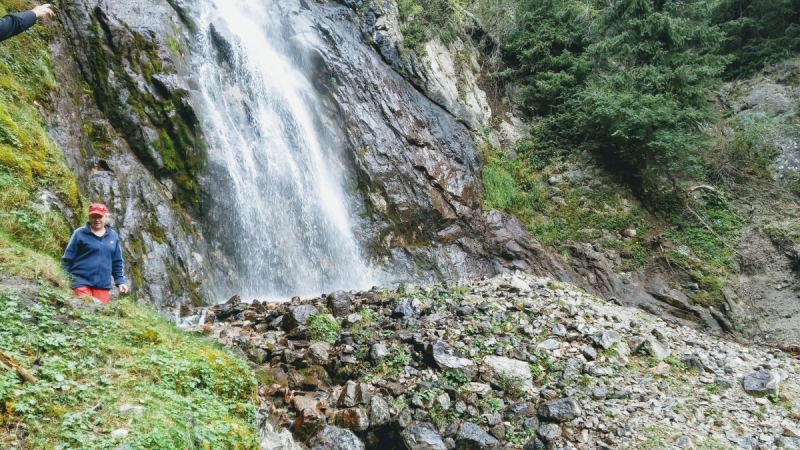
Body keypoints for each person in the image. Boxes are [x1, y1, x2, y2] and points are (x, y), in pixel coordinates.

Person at [62, 203, 129, 305]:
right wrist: (63, 278)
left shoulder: (113, 236)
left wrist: (120, 281)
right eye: (93, 217)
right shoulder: (79, 233)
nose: (96, 220)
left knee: (100, 315)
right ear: (89, 217)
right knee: (86, 310)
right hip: (80, 282)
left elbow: (117, 261)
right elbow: (67, 259)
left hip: (102, 285)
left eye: (100, 217)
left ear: (106, 217)